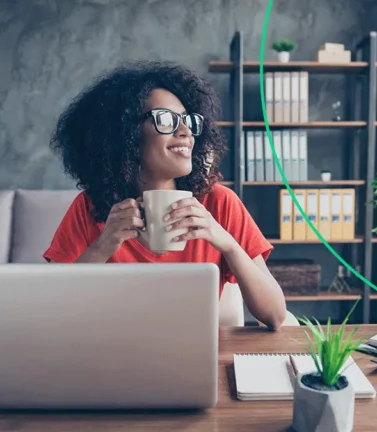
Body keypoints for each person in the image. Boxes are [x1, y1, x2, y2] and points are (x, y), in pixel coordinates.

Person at [43, 60, 287, 330]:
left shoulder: (219, 202)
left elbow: (275, 316)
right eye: (166, 120)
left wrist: (227, 244)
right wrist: (102, 247)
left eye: (188, 121)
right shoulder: (91, 207)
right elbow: (52, 309)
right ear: (126, 134)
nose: (185, 132)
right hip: (110, 357)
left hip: (195, 357)